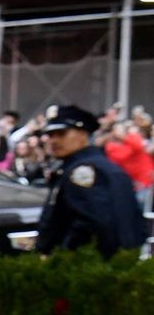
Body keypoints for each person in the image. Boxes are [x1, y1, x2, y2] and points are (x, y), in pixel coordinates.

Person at [35, 105, 144, 257]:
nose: (53, 140)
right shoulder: (100, 165)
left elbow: (91, 223)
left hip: (86, 262)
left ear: (82, 134)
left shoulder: (83, 171)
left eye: (61, 134)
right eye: (50, 135)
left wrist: (64, 256)